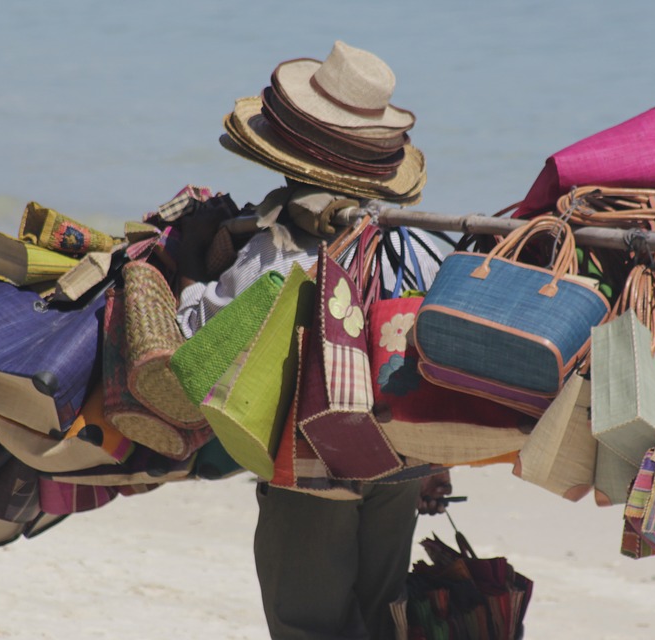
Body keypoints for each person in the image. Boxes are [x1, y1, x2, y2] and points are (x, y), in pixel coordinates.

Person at [174, 41, 453, 640]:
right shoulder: (412, 241)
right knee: (382, 616)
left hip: (312, 458)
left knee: (308, 622)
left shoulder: (276, 243)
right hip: (398, 456)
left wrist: (186, 284)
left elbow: (213, 337)